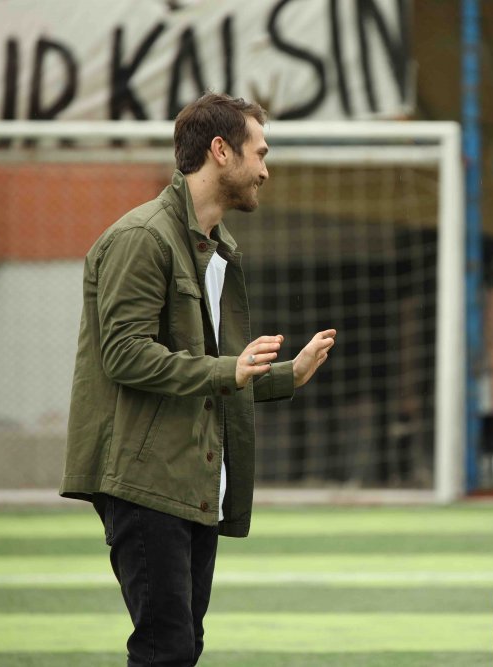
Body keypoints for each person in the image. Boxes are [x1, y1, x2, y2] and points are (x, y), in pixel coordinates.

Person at [60, 92, 337, 666]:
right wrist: (228, 368)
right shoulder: (142, 237)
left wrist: (286, 375)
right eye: (260, 153)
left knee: (184, 648)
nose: (265, 170)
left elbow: (212, 375)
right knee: (165, 649)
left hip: (194, 481)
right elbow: (125, 355)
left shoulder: (218, 248)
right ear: (221, 151)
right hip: (145, 479)